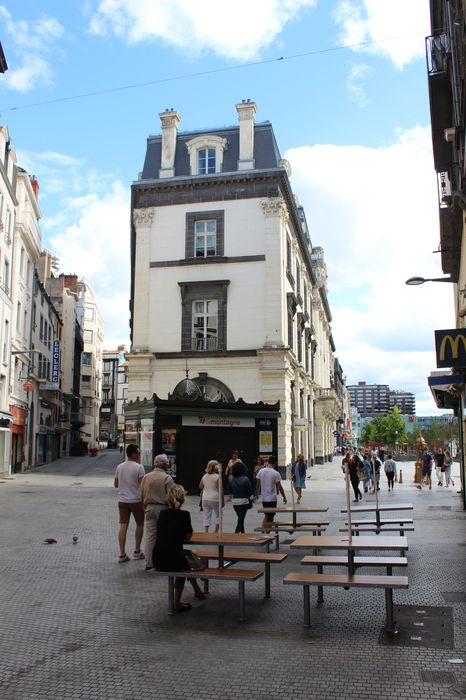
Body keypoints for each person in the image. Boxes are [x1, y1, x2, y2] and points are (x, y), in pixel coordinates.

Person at [153, 485, 205, 612]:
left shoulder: (162, 514)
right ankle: (177, 603)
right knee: (185, 564)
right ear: (182, 499)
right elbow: (188, 536)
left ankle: (198, 591)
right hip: (174, 558)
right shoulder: (184, 515)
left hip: (157, 557)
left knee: (185, 562)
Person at [139, 453, 174, 569]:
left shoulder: (146, 477)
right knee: (164, 535)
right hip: (163, 509)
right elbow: (172, 497)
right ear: (164, 465)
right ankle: (162, 561)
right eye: (167, 463)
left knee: (150, 536)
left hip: (149, 508)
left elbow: (141, 494)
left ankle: (149, 562)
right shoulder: (167, 478)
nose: (168, 465)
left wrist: (144, 507)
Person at [114, 444, 145, 563]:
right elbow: (142, 486)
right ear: (133, 453)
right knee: (140, 524)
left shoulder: (119, 467)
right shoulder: (139, 467)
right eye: (138, 452)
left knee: (123, 525)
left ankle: (122, 554)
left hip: (122, 501)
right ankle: (137, 551)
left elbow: (116, 484)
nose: (139, 454)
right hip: (136, 500)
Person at [255, 455, 287, 528]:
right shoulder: (275, 473)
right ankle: (265, 531)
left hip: (264, 498)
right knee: (269, 516)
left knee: (268, 515)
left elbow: (257, 484)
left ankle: (267, 532)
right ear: (275, 463)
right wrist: (284, 496)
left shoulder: (261, 471)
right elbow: (279, 486)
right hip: (272, 498)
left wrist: (256, 494)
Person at [229, 461, 254, 533]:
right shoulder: (245, 479)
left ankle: (243, 533)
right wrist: (252, 498)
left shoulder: (231, 480)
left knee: (240, 518)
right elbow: (250, 491)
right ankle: (236, 533)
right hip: (244, 502)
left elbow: (230, 491)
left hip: (235, 502)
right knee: (241, 519)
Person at [199, 460, 223, 532]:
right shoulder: (217, 477)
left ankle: (206, 531)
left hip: (205, 498)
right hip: (215, 498)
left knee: (206, 515)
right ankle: (215, 531)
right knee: (219, 515)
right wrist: (222, 500)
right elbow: (221, 490)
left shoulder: (204, 476)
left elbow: (200, 486)